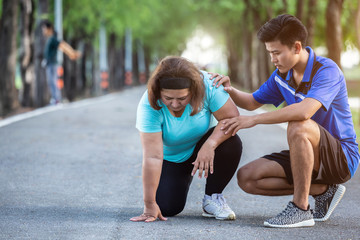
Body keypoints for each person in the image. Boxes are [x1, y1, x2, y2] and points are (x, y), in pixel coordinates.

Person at [212, 14, 359, 228]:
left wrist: (255, 121)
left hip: (341, 157)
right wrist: (229, 89)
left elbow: (304, 112)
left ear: (297, 47)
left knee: (298, 123)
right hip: (309, 151)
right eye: (270, 53)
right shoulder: (282, 75)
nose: (273, 59)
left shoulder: (326, 70)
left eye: (276, 52)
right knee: (248, 178)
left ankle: (300, 209)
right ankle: (323, 190)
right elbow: (252, 101)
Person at [130, 56, 242, 222]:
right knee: (167, 207)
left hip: (202, 145)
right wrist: (149, 204)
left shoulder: (209, 85)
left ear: (194, 91)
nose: (175, 104)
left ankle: (213, 197)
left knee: (232, 142)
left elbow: (231, 119)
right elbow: (153, 156)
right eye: (168, 98)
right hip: (172, 157)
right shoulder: (149, 104)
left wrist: (210, 144)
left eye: (182, 99)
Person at [42, 20, 81, 105]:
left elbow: (62, 45)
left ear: (49, 29)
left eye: (44, 28)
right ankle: (55, 98)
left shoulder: (53, 39)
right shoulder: (50, 39)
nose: (43, 31)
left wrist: (72, 53)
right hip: (49, 63)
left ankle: (56, 99)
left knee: (53, 80)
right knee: (51, 81)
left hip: (53, 63)